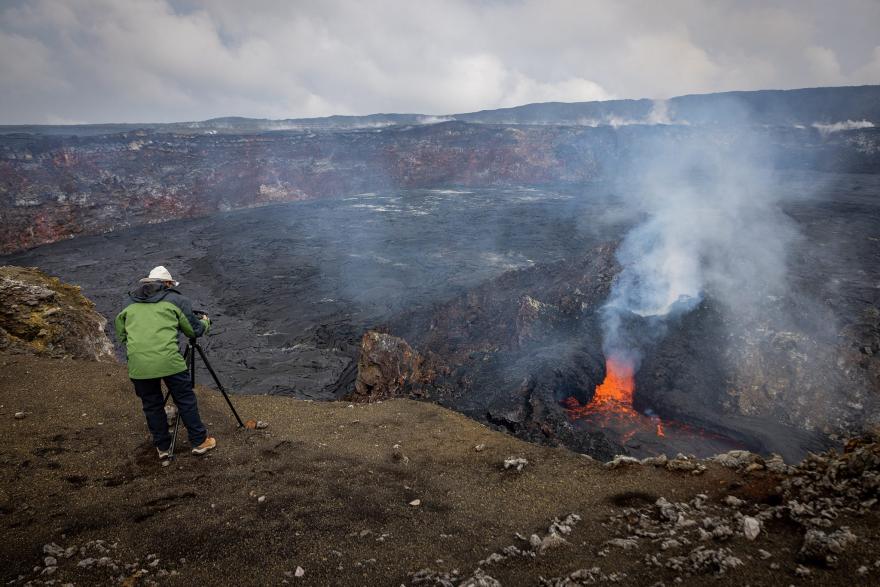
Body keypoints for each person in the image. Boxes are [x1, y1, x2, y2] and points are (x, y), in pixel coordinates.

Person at [115, 265, 216, 459]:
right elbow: (193, 330)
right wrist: (205, 322)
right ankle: (199, 441)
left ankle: (162, 448)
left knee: (152, 405)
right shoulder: (176, 300)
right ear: (168, 284)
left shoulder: (128, 302)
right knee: (185, 399)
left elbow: (122, 334)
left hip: (139, 364)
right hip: (169, 361)